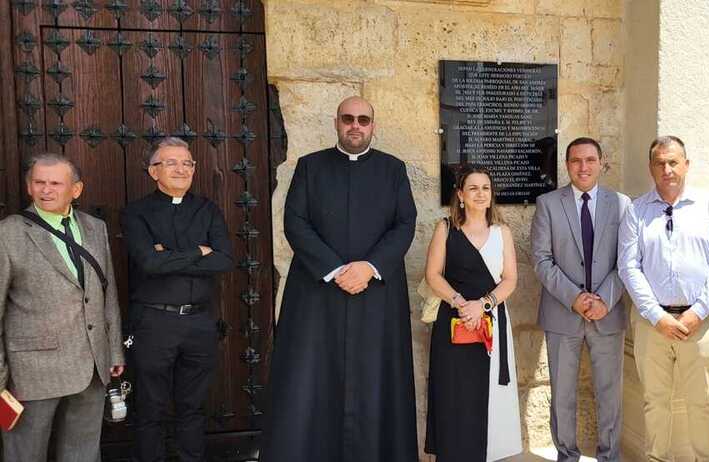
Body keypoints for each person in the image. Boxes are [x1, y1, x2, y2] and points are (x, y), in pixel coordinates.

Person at [261, 96, 418, 461]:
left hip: (376, 293)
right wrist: (335, 269)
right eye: (348, 119)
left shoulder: (393, 170)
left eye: (363, 119)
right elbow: (295, 222)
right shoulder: (310, 167)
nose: (355, 126)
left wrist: (369, 267)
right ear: (336, 123)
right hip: (318, 294)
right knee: (309, 379)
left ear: (372, 126)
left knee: (376, 381)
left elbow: (404, 224)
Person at [0, 152, 125, 461]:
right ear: (28, 187)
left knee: (83, 453)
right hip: (31, 373)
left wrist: (113, 350)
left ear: (76, 189)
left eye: (56, 183)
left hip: (92, 366)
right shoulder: (8, 233)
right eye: (39, 182)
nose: (46, 190)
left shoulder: (95, 227)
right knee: (25, 454)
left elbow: (107, 295)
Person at [618, 136, 709, 461]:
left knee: (702, 401)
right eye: (660, 163)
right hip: (652, 324)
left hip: (698, 322)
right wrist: (657, 315)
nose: (667, 169)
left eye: (673, 162)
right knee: (655, 401)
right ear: (650, 167)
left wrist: (697, 312)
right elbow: (629, 267)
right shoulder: (636, 211)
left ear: (686, 164)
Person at [121, 137, 234, 462]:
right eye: (171, 162)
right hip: (154, 323)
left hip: (199, 323)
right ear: (154, 171)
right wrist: (200, 251)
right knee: (150, 408)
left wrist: (168, 255)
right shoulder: (136, 212)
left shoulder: (208, 209)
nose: (181, 169)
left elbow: (224, 260)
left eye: (187, 163)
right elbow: (149, 263)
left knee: (193, 407)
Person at [531, 137, 631, 462]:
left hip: (608, 313)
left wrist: (604, 299)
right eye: (576, 161)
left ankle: (609, 456)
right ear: (567, 165)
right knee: (562, 395)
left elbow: (627, 261)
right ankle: (566, 455)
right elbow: (541, 260)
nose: (583, 167)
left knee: (609, 395)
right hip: (562, 313)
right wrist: (575, 298)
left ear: (602, 162)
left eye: (590, 160)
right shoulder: (547, 203)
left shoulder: (621, 204)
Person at [424, 165, 522, 462]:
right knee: (453, 392)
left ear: (492, 196)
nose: (481, 194)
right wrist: (460, 303)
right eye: (473, 188)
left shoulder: (502, 232)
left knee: (489, 394)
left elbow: (510, 280)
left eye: (486, 188)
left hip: (490, 323)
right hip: (453, 322)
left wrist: (483, 305)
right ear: (460, 195)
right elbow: (433, 274)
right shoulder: (445, 228)